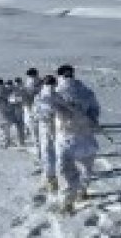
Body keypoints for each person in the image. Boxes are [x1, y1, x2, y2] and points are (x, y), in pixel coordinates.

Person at [45, 64, 102, 212]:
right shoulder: (86, 91)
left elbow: (43, 112)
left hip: (66, 139)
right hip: (85, 139)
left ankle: (67, 203)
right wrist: (92, 119)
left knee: (65, 172)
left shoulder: (55, 93)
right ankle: (81, 193)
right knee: (86, 169)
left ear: (58, 76)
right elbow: (95, 110)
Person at [33, 74, 60, 191]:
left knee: (49, 153)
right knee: (53, 152)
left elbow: (35, 113)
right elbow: (36, 113)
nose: (50, 85)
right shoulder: (41, 97)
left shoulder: (40, 97)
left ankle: (52, 178)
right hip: (52, 128)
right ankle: (52, 177)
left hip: (53, 128)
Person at [0, 78, 23, 148]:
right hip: (7, 112)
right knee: (6, 128)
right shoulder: (5, 90)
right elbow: (13, 99)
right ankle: (6, 142)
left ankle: (5, 142)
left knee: (2, 129)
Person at [20, 69, 43, 147]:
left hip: (31, 109)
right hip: (41, 110)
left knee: (34, 130)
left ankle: (38, 149)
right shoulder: (41, 82)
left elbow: (25, 96)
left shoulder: (29, 83)